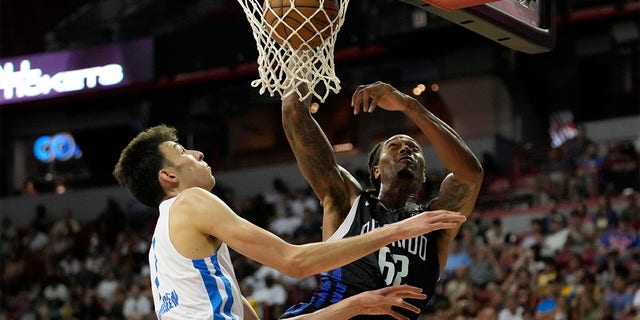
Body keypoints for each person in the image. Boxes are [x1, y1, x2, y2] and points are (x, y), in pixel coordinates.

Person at [112, 124, 468, 320]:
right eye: (181, 152)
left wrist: (355, 306)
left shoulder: (174, 251)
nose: (197, 154)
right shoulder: (191, 201)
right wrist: (400, 229)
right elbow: (294, 262)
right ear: (168, 177)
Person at [280, 81, 484, 319]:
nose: (406, 150)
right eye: (394, 146)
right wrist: (304, 60)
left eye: (413, 148)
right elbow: (294, 112)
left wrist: (410, 106)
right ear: (376, 170)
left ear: (423, 175)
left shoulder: (435, 225)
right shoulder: (348, 201)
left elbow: (470, 175)